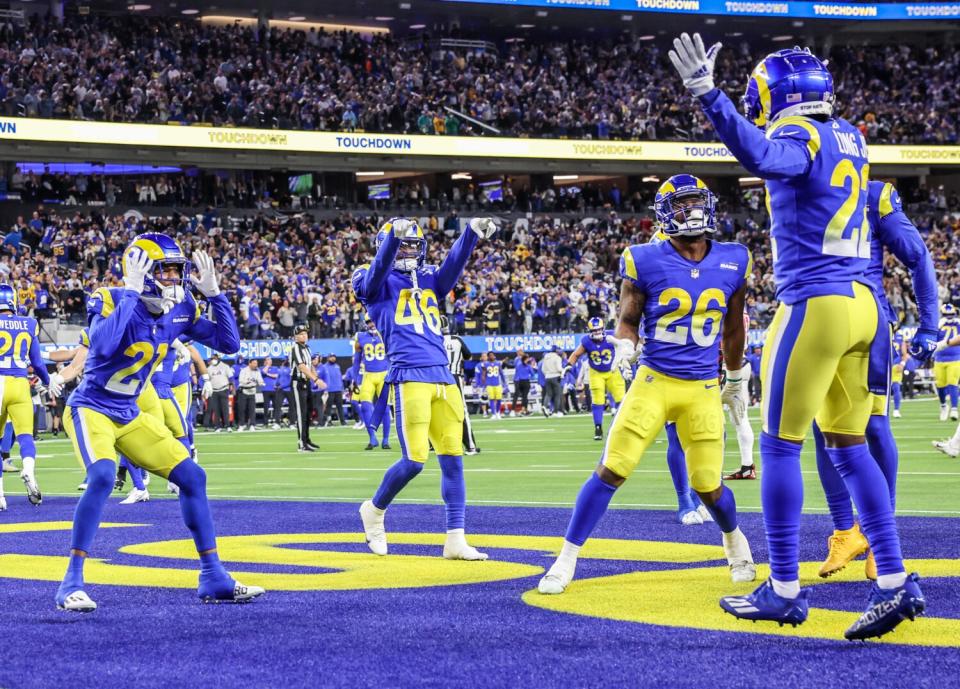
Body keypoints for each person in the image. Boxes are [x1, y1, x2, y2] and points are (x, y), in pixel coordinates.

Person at [669, 33, 926, 638]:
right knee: (849, 447)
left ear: (776, 94)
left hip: (815, 304)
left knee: (781, 446)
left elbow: (766, 157)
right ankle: (894, 580)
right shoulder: (852, 137)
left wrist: (710, 99)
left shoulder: (802, 135)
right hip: (865, 306)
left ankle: (783, 588)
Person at [538, 173, 755, 596]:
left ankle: (735, 542)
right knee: (611, 470)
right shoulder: (644, 258)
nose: (691, 211)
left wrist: (736, 375)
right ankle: (565, 559)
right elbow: (629, 319)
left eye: (697, 202)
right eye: (682, 204)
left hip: (703, 388)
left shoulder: (734, 259)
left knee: (708, 484)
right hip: (654, 380)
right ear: (664, 213)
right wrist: (623, 346)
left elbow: (733, 328)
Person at [56, 234, 262, 611]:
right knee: (102, 475)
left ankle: (212, 574)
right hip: (92, 407)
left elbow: (229, 344)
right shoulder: (111, 297)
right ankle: (71, 581)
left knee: (193, 476)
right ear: (142, 271)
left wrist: (217, 297)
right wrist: (131, 293)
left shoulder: (179, 308)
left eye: (175, 270)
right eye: (164, 269)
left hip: (129, 413)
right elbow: (102, 346)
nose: (172, 278)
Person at [352, 216, 496, 560]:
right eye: (403, 244)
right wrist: (391, 241)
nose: (410, 251)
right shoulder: (370, 279)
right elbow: (373, 278)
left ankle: (455, 538)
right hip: (409, 374)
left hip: (444, 377)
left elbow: (451, 269)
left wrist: (470, 234)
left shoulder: (427, 278)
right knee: (415, 461)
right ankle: (373, 509)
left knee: (453, 460)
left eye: (414, 245)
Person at [814, 181, 937, 581]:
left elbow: (918, 256)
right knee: (821, 428)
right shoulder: (794, 182)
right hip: (813, 319)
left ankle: (881, 539)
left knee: (874, 426)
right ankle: (845, 532)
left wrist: (930, 324)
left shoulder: (872, 193)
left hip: (867, 320)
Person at [0, 284, 53, 508]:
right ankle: (29, 470)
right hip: (21, 385)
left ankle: (1, 495)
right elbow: (38, 363)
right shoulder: (28, 323)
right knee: (25, 437)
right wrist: (49, 382)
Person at [565, 317, 625, 440]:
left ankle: (621, 427)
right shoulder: (586, 341)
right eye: (594, 330)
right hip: (596, 372)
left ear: (603, 328)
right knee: (597, 400)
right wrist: (568, 365)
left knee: (621, 399)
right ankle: (598, 428)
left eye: (599, 329)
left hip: (613, 370)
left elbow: (625, 347)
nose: (597, 332)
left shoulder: (612, 336)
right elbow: (576, 354)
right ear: (590, 330)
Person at [442, 315, 479, 455]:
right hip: (454, 377)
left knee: (435, 411)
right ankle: (470, 445)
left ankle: (433, 444)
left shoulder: (434, 340)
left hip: (438, 377)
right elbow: (469, 356)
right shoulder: (457, 340)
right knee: (462, 412)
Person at [355, 317, 391, 449]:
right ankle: (372, 438)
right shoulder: (360, 337)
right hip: (368, 375)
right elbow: (357, 360)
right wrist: (355, 379)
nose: (372, 323)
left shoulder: (387, 333)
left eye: (373, 321)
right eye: (369, 321)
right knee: (365, 406)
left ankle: (386, 440)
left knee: (385, 408)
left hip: (383, 375)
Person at [288, 324, 324, 452]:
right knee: (301, 413)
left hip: (306, 382)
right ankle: (301, 443)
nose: (305, 336)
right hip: (298, 382)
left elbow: (310, 365)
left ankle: (307, 440)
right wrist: (316, 379)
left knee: (308, 412)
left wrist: (315, 376)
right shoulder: (295, 347)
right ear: (296, 336)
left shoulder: (307, 348)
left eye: (306, 333)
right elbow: (302, 366)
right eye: (301, 334)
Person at [933, 304, 960, 421]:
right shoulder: (938, 324)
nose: (949, 317)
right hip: (939, 358)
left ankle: (954, 409)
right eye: (946, 315)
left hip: (955, 357)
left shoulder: (958, 323)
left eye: (951, 314)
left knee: (952, 383)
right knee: (940, 385)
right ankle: (944, 405)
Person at [204, 354, 232, 432]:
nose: (213, 360)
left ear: (218, 358)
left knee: (225, 409)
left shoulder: (225, 366)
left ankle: (227, 425)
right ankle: (217, 426)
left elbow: (230, 377)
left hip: (223, 389)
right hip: (214, 390)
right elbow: (207, 380)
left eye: (214, 358)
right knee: (216, 409)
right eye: (212, 358)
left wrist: (232, 386)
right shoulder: (209, 369)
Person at [237, 359, 264, 431]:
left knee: (252, 409)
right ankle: (242, 425)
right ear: (250, 363)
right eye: (254, 363)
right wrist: (248, 381)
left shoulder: (257, 371)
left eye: (256, 363)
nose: (256, 365)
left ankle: (252, 424)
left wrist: (261, 383)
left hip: (252, 391)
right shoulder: (244, 370)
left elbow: (260, 380)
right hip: (244, 391)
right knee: (242, 409)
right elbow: (241, 381)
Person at [320, 353, 346, 427]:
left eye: (334, 357)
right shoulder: (324, 367)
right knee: (328, 407)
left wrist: (342, 388)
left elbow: (340, 378)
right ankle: (328, 421)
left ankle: (343, 421)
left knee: (340, 406)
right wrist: (324, 389)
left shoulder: (337, 366)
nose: (333, 358)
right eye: (331, 357)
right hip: (329, 390)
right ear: (328, 358)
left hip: (338, 389)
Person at [540, 346, 564, 416]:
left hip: (547, 377)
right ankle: (555, 412)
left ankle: (544, 405)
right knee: (557, 395)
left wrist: (547, 374)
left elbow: (543, 369)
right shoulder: (557, 357)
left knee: (548, 394)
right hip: (556, 376)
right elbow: (559, 368)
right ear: (556, 350)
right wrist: (564, 371)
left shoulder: (546, 357)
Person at [481, 354, 506, 419]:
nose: (492, 357)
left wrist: (504, 383)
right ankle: (493, 414)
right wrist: (484, 384)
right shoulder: (485, 364)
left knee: (499, 399)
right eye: (491, 355)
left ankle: (498, 412)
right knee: (491, 399)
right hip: (489, 384)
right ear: (488, 357)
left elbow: (501, 373)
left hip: (497, 384)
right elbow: (483, 374)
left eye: (493, 355)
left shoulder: (498, 363)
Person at [511, 349, 532, 415]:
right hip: (518, 379)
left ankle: (525, 410)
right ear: (517, 353)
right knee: (516, 394)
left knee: (525, 395)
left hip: (522, 379)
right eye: (520, 351)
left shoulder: (523, 360)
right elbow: (518, 367)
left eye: (522, 351)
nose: (521, 352)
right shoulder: (517, 359)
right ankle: (513, 410)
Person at [260, 356, 280, 429]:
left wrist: (268, 374)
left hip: (275, 390)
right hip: (266, 390)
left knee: (276, 407)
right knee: (266, 407)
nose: (270, 361)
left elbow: (276, 376)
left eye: (270, 360)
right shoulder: (262, 367)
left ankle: (277, 422)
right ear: (265, 361)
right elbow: (263, 372)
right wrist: (267, 365)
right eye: (268, 360)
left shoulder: (275, 368)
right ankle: (265, 422)